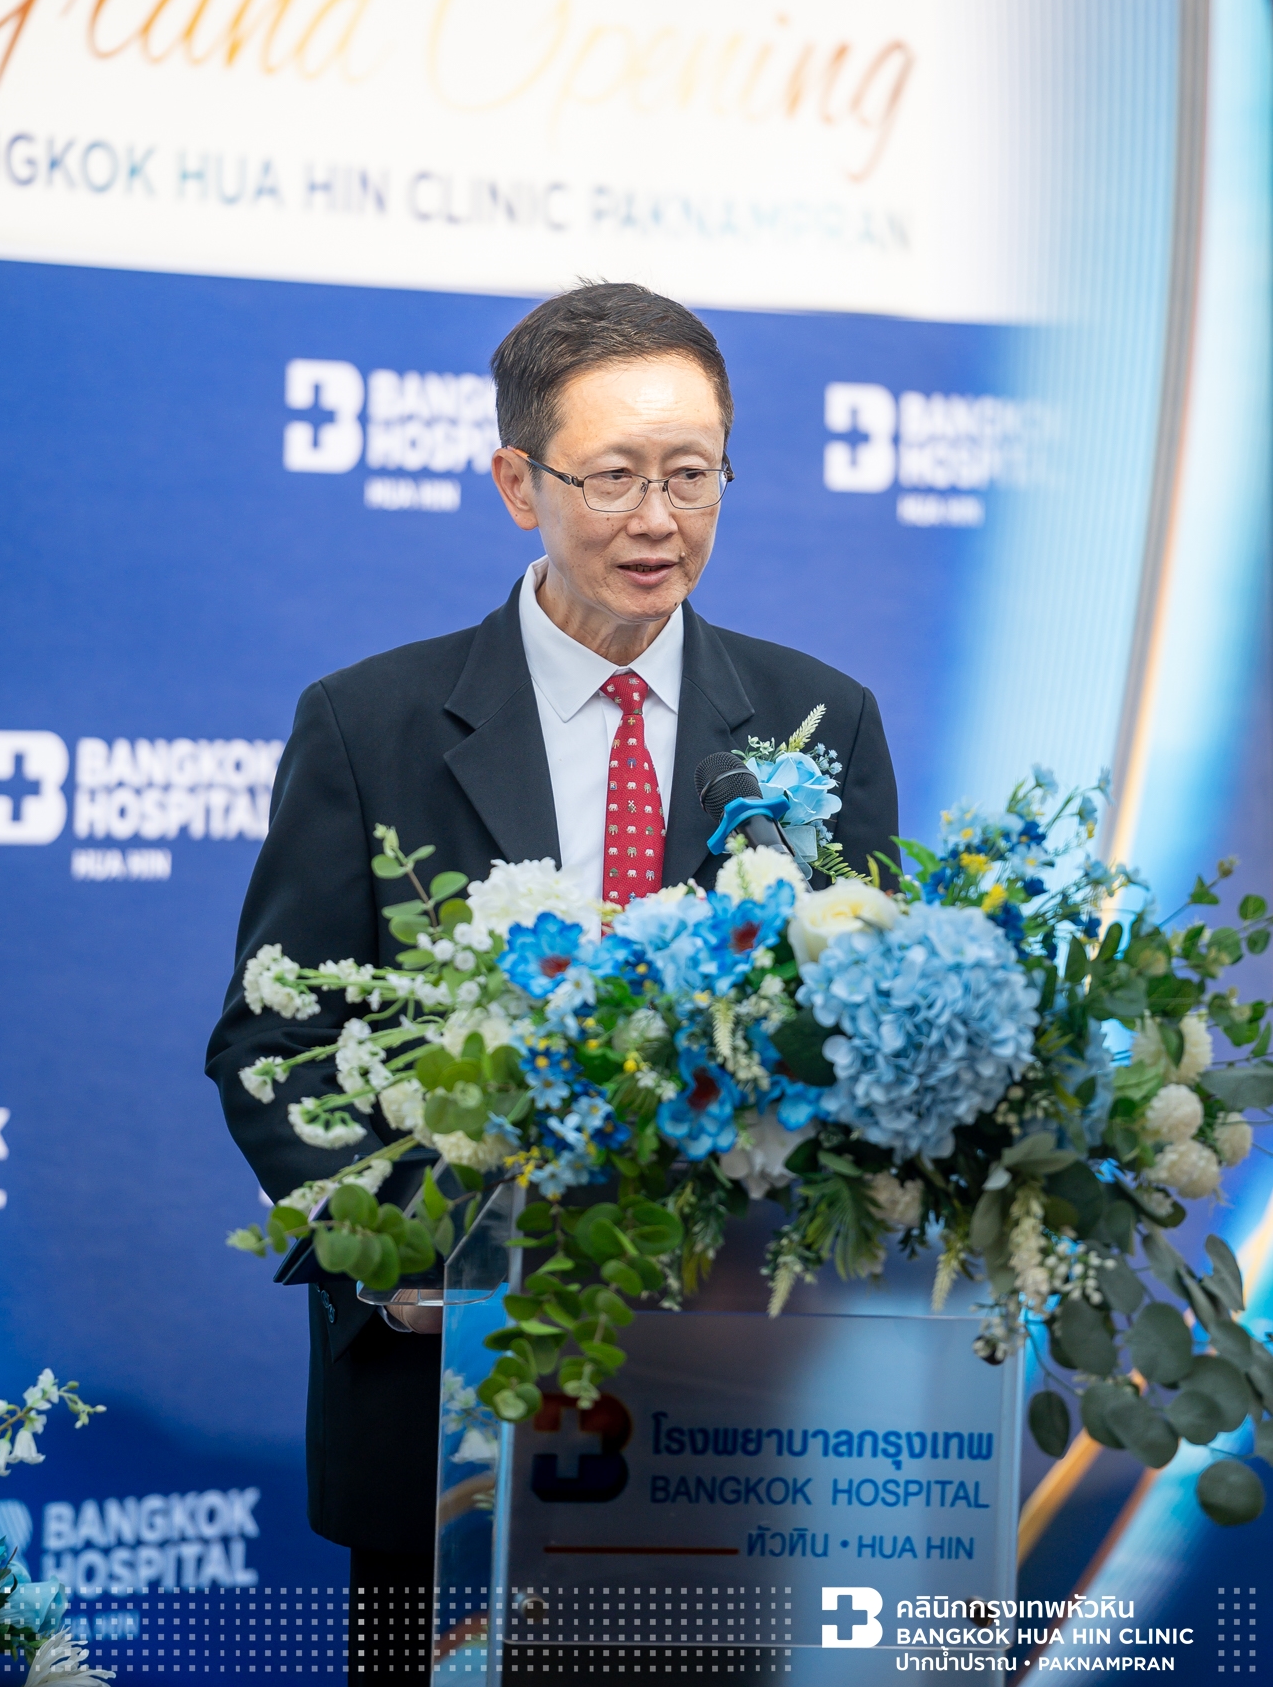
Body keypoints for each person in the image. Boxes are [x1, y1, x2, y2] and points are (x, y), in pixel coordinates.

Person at [206, 282, 898, 1676]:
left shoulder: (819, 723)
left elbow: (866, 1035)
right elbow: (277, 1046)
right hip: (452, 1401)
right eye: (615, 477)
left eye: (692, 475)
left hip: (736, 1414)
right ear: (519, 483)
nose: (659, 520)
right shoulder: (371, 725)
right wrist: (417, 1270)